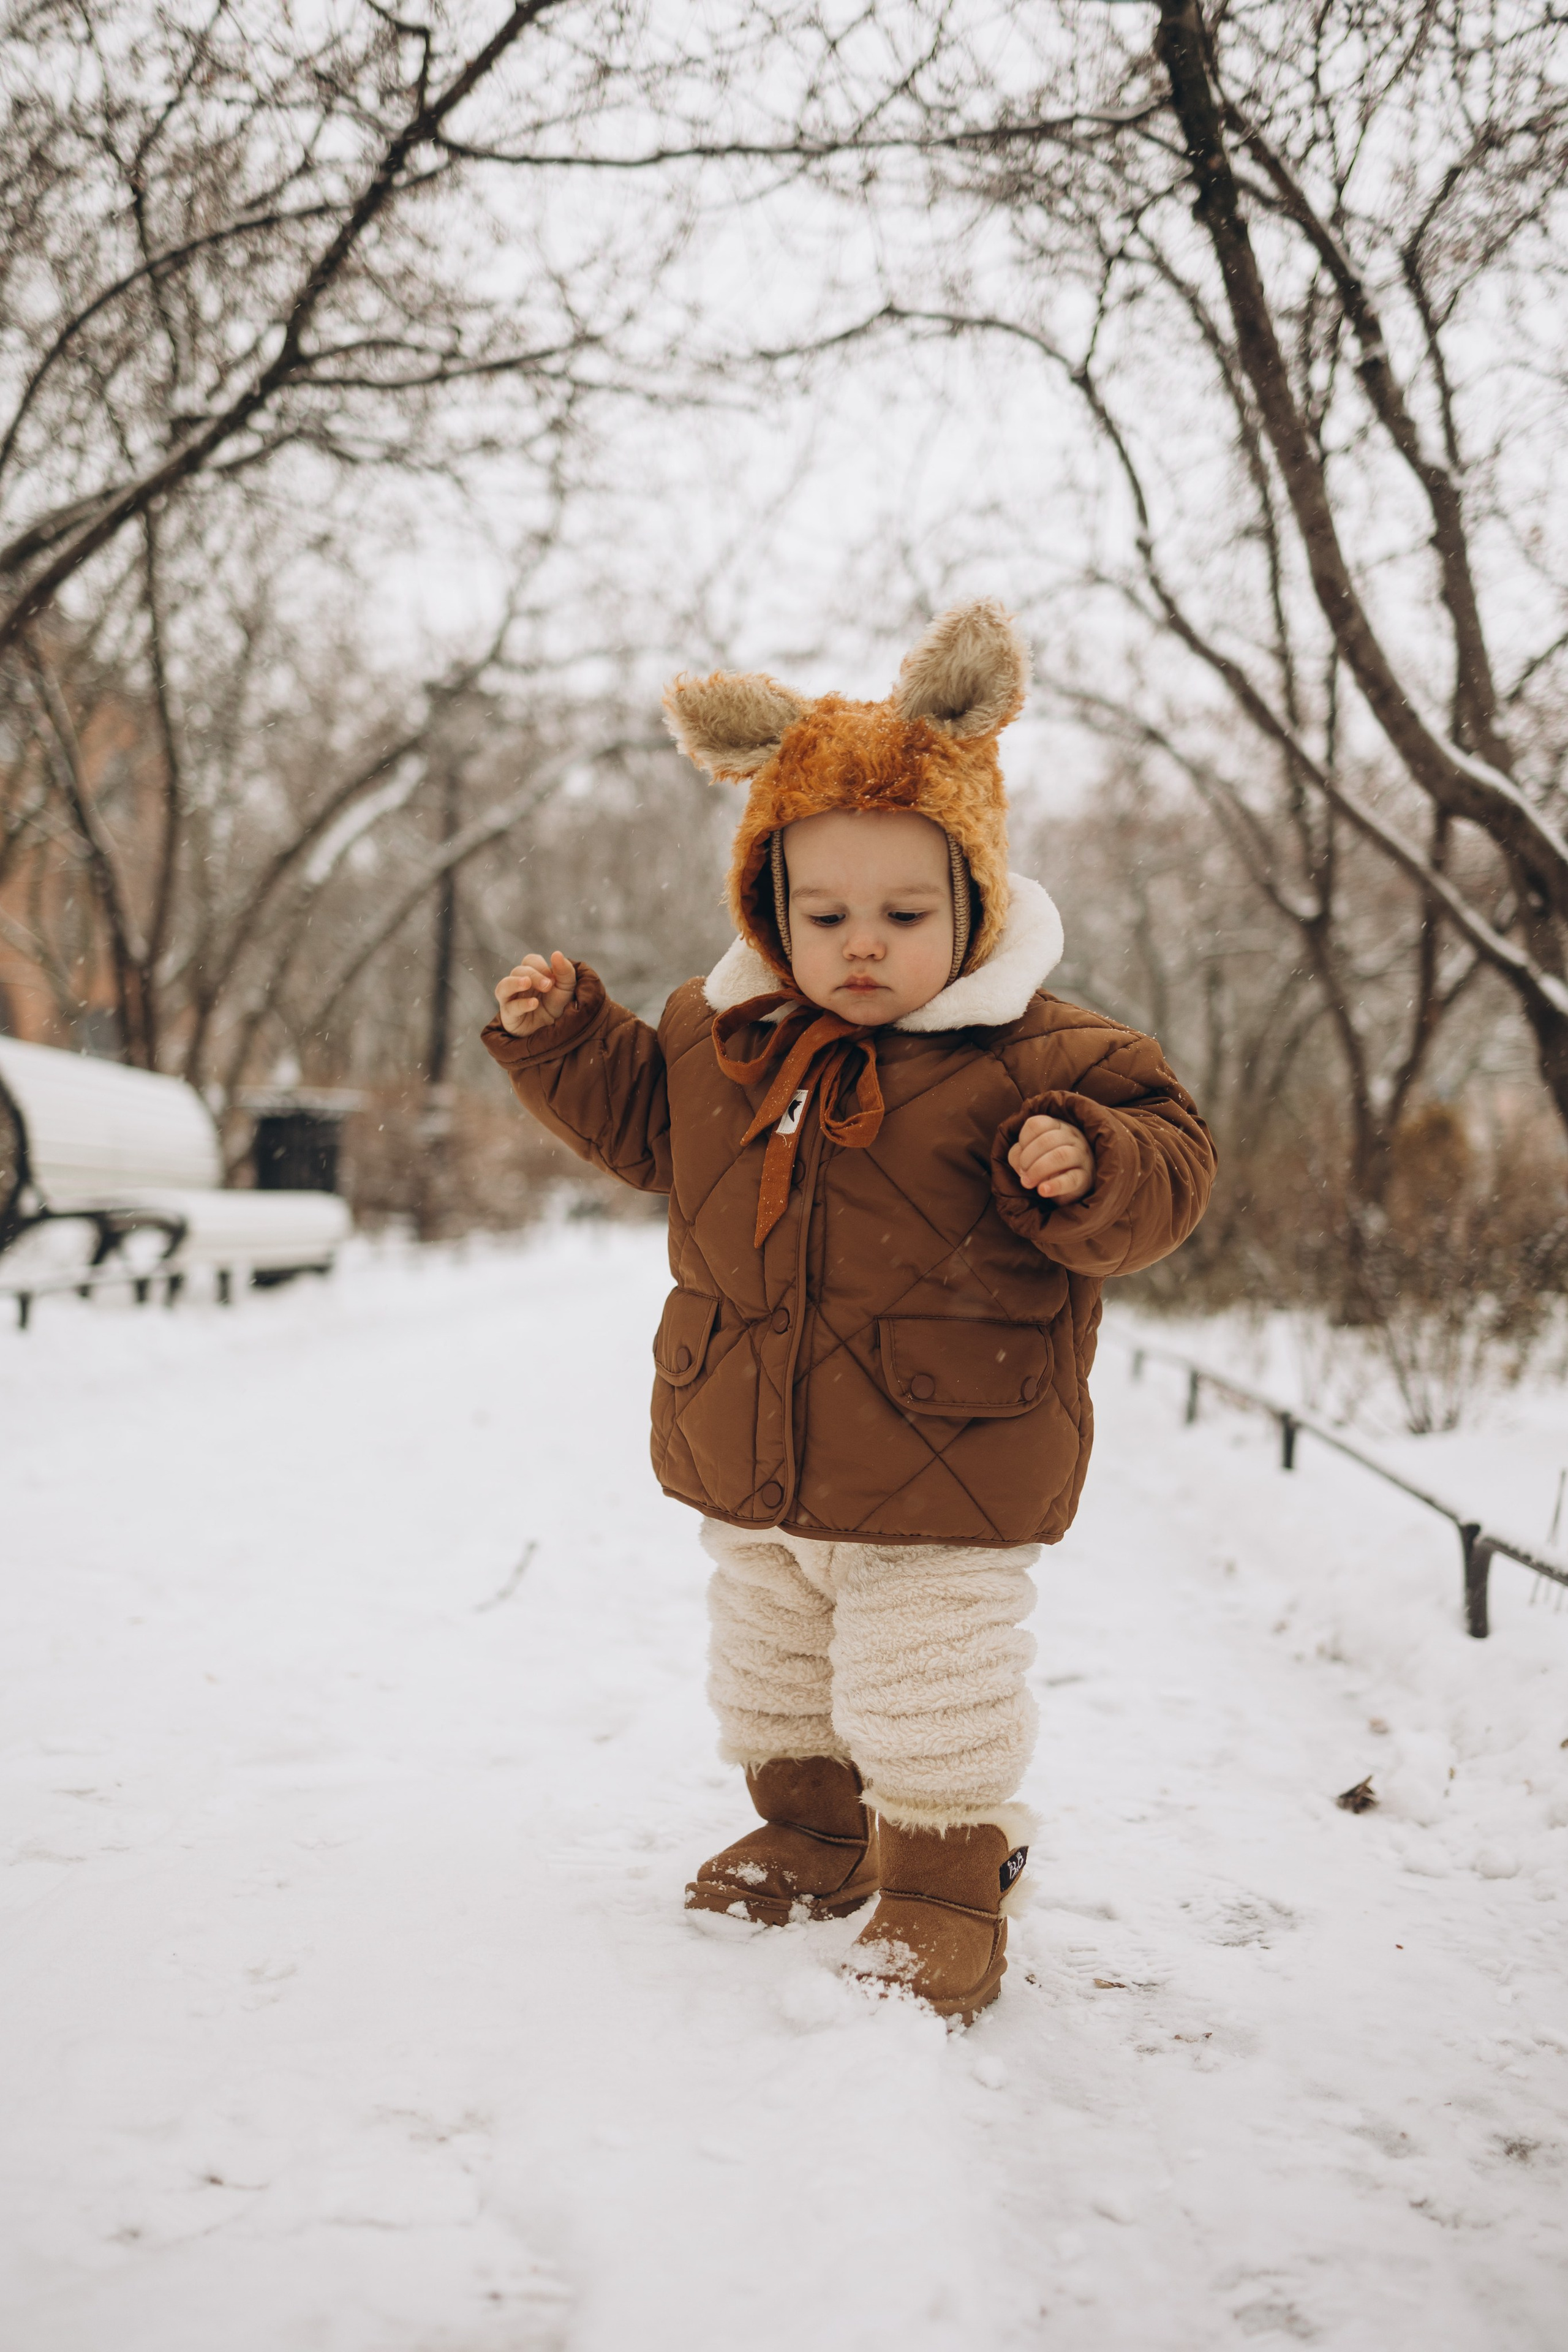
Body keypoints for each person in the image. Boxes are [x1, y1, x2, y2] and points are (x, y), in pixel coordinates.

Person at [484, 600, 1215, 2022]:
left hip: (949, 1459)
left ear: (975, 901)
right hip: (754, 1449)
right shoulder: (723, 1041)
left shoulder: (1053, 1056)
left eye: (903, 915)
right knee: (771, 1665)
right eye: (823, 917)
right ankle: (812, 1830)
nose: (861, 945)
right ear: (771, 911)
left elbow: (1169, 1174)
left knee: (930, 1683)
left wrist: (1091, 1160)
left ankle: (944, 1879)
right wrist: (565, 1037)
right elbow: (646, 1128)